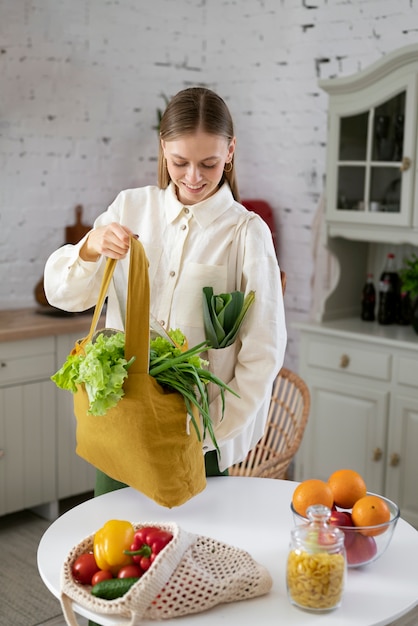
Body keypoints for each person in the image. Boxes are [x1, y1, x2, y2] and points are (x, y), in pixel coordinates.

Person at [44, 86, 287, 495]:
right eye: (180, 162)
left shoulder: (246, 233)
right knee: (114, 550)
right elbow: (65, 296)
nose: (194, 177)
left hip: (197, 438)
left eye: (209, 163)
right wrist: (90, 246)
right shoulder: (129, 208)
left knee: (195, 555)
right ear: (162, 149)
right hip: (123, 425)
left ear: (230, 152)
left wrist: (205, 432)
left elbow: (263, 353)